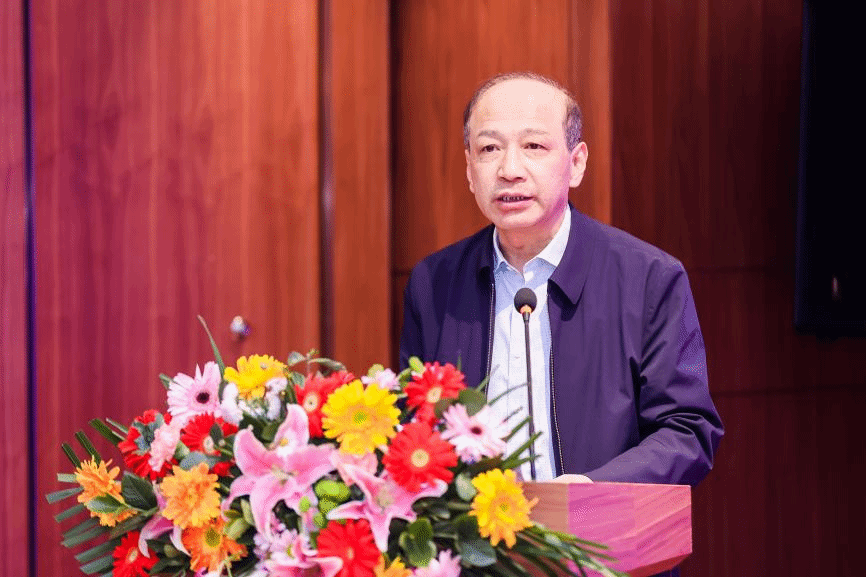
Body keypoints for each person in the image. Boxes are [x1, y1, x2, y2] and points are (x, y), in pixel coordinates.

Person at [399, 71, 723, 575]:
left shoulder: (648, 278)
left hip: (606, 557)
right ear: (468, 169)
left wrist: (593, 492)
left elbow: (687, 429)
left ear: (576, 163)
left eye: (533, 146)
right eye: (489, 149)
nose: (509, 169)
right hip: (478, 557)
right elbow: (413, 430)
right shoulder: (434, 283)